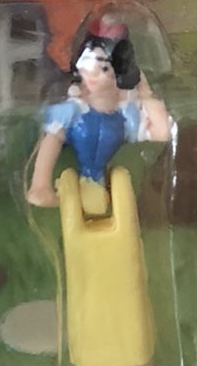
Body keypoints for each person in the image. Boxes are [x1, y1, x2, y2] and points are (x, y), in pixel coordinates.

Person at [27, 19, 170, 217]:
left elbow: (162, 132)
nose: (92, 74)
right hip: (76, 138)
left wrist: (146, 92)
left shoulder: (125, 113)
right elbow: (53, 130)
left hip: (104, 167)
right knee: (55, 132)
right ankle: (39, 185)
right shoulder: (74, 108)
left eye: (103, 68)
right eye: (87, 63)